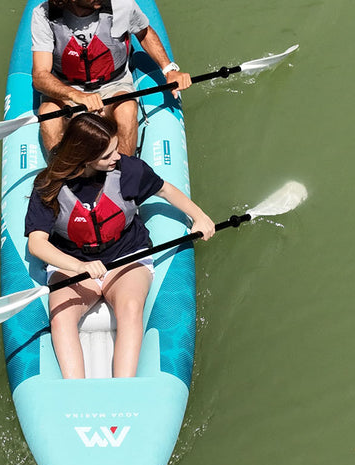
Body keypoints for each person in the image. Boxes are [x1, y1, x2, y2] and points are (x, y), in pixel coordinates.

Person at [25, 113, 216, 380]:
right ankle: (75, 391)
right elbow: (37, 244)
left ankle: (125, 385)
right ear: (85, 159)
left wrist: (200, 217)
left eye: (115, 149)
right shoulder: (49, 185)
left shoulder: (129, 171)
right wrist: (79, 266)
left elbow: (165, 190)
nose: (117, 157)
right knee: (61, 319)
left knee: (129, 308)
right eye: (107, 155)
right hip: (73, 266)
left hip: (126, 257)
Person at [31, 0, 192, 156]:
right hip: (69, 92)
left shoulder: (122, 4)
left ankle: (122, 175)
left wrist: (169, 68)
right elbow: (40, 76)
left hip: (113, 87)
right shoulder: (44, 15)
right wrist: (76, 95)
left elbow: (144, 33)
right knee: (48, 113)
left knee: (127, 108)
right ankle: (61, 174)